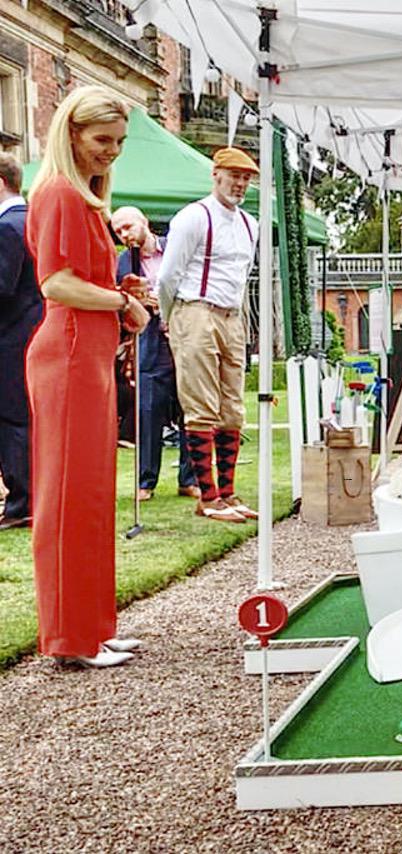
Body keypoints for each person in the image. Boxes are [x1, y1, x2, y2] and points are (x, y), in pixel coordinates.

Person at [25, 86, 149, 666]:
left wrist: (123, 296)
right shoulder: (58, 194)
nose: (113, 152)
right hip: (69, 355)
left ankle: (93, 627)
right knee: (70, 497)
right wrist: (120, 303)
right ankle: (71, 637)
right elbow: (56, 284)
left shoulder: (83, 199)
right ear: (71, 133)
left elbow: (83, 284)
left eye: (121, 142)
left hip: (87, 355)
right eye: (103, 140)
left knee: (93, 495)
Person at [156, 147, 261, 524]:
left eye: (246, 177)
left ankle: (228, 492)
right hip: (195, 309)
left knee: (233, 406)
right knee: (201, 405)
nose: (240, 183)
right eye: (234, 175)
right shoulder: (193, 218)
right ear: (215, 174)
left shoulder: (251, 224)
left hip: (232, 314)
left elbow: (241, 276)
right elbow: (167, 276)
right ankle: (208, 495)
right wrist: (172, 318)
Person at [111, 207, 198, 502]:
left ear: (144, 222)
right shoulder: (123, 263)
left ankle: (190, 479)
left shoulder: (174, 248)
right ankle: (146, 481)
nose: (125, 234)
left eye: (128, 226)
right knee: (148, 410)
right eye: (119, 231)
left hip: (184, 334)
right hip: (150, 342)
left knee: (191, 406)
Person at [0, 153, 42, 530]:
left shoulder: (8, 226)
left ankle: (22, 503)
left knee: (13, 420)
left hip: (12, 336)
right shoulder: (31, 220)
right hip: (32, 334)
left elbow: (2, 287)